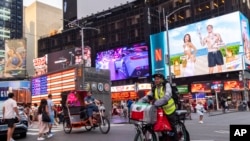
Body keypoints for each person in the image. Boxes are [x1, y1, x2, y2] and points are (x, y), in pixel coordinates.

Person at [139, 73, 178, 141]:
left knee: (171, 129)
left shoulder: (166, 85)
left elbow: (168, 95)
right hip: (159, 110)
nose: (156, 80)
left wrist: (157, 102)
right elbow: (148, 96)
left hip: (170, 110)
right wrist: (139, 102)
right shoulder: (154, 87)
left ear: (162, 79)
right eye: (155, 79)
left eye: (158, 79)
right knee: (159, 127)